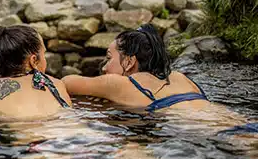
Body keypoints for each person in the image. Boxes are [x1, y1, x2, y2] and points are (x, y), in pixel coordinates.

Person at [62, 24, 210, 111]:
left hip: (195, 130)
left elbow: (66, 82)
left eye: (108, 58)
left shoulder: (119, 84)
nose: (105, 68)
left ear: (129, 61)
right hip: (226, 119)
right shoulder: (179, 77)